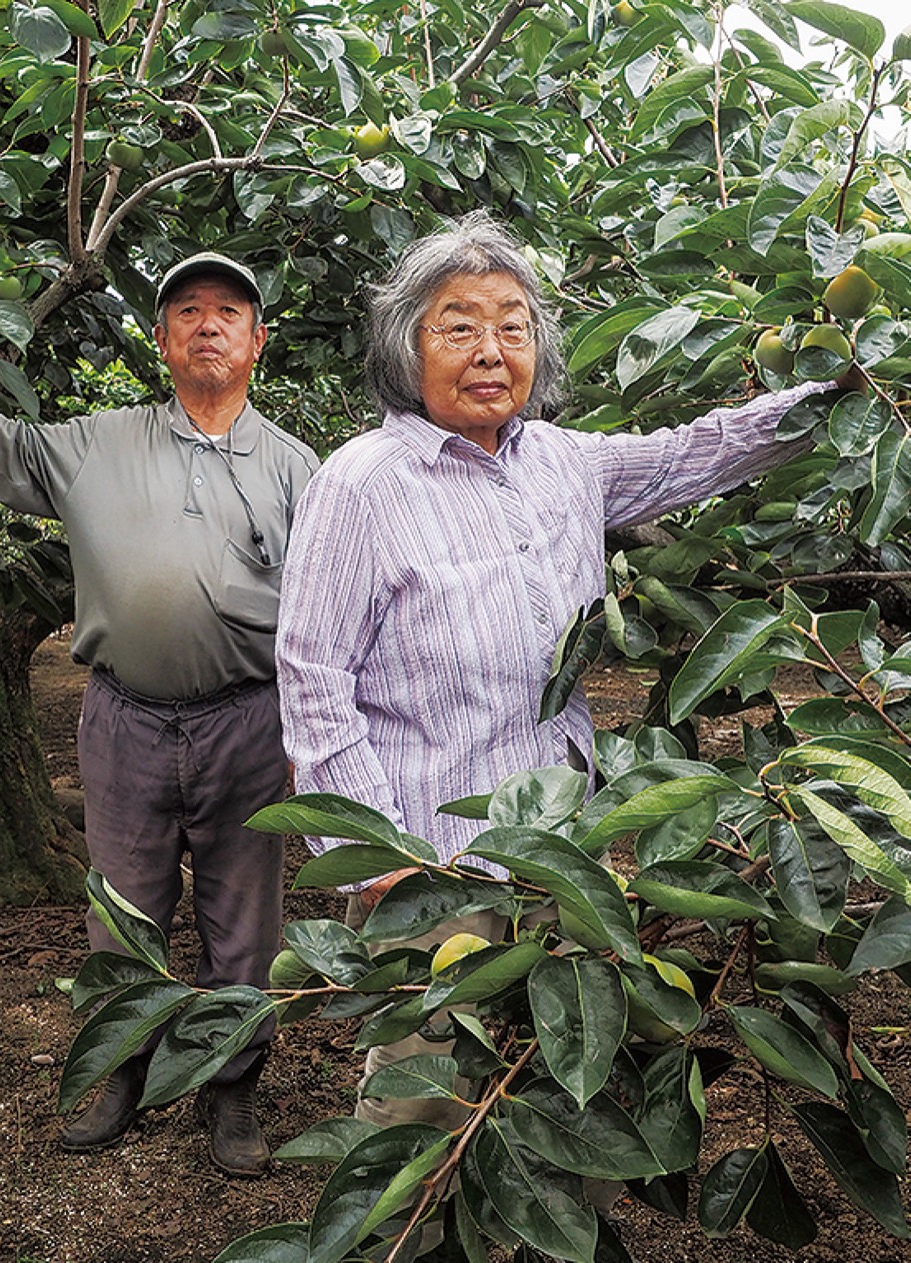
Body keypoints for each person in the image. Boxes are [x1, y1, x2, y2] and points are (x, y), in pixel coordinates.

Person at [274, 210, 844, 1129]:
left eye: (513, 324)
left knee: (568, 1088)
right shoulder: (362, 483)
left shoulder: (566, 465)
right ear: (405, 347)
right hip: (436, 861)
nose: (491, 349)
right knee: (428, 1106)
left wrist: (840, 390)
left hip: (560, 847)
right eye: (458, 326)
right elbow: (312, 682)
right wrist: (374, 858)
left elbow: (701, 450)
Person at [0, 251, 319, 1175]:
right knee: (122, 911)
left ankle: (229, 1086)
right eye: (186, 311)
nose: (207, 324)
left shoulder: (301, 469)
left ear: (258, 341)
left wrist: (312, 736)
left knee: (243, 918)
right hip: (126, 720)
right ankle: (123, 1069)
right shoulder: (98, 442)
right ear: (162, 339)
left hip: (251, 724)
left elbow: (329, 614)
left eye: (228, 311)